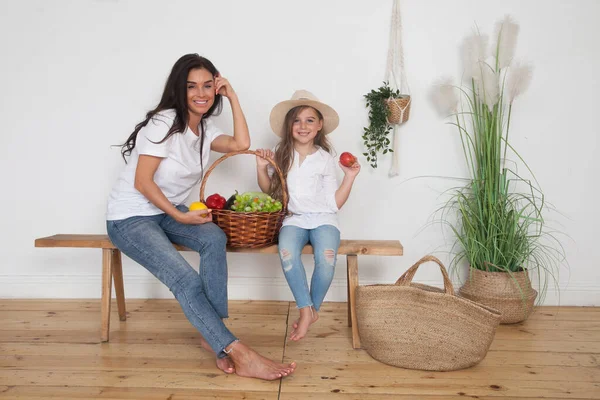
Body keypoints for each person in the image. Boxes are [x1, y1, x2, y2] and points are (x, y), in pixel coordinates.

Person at [106, 54, 296, 380]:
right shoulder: (164, 122)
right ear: (179, 90)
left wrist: (233, 96)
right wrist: (179, 218)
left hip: (165, 211)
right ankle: (236, 350)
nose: (201, 93)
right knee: (185, 280)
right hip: (130, 217)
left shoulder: (206, 128)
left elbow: (241, 144)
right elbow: (142, 182)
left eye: (208, 85)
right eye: (192, 86)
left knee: (213, 236)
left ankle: (214, 337)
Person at [256, 90, 360, 341]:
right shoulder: (281, 154)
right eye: (297, 120)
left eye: (310, 120)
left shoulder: (325, 159)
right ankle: (306, 310)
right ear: (289, 125)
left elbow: (333, 204)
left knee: (326, 259)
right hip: (293, 219)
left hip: (324, 219)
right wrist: (261, 168)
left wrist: (349, 178)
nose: (303, 126)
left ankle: (311, 310)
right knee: (288, 253)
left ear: (319, 126)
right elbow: (270, 190)